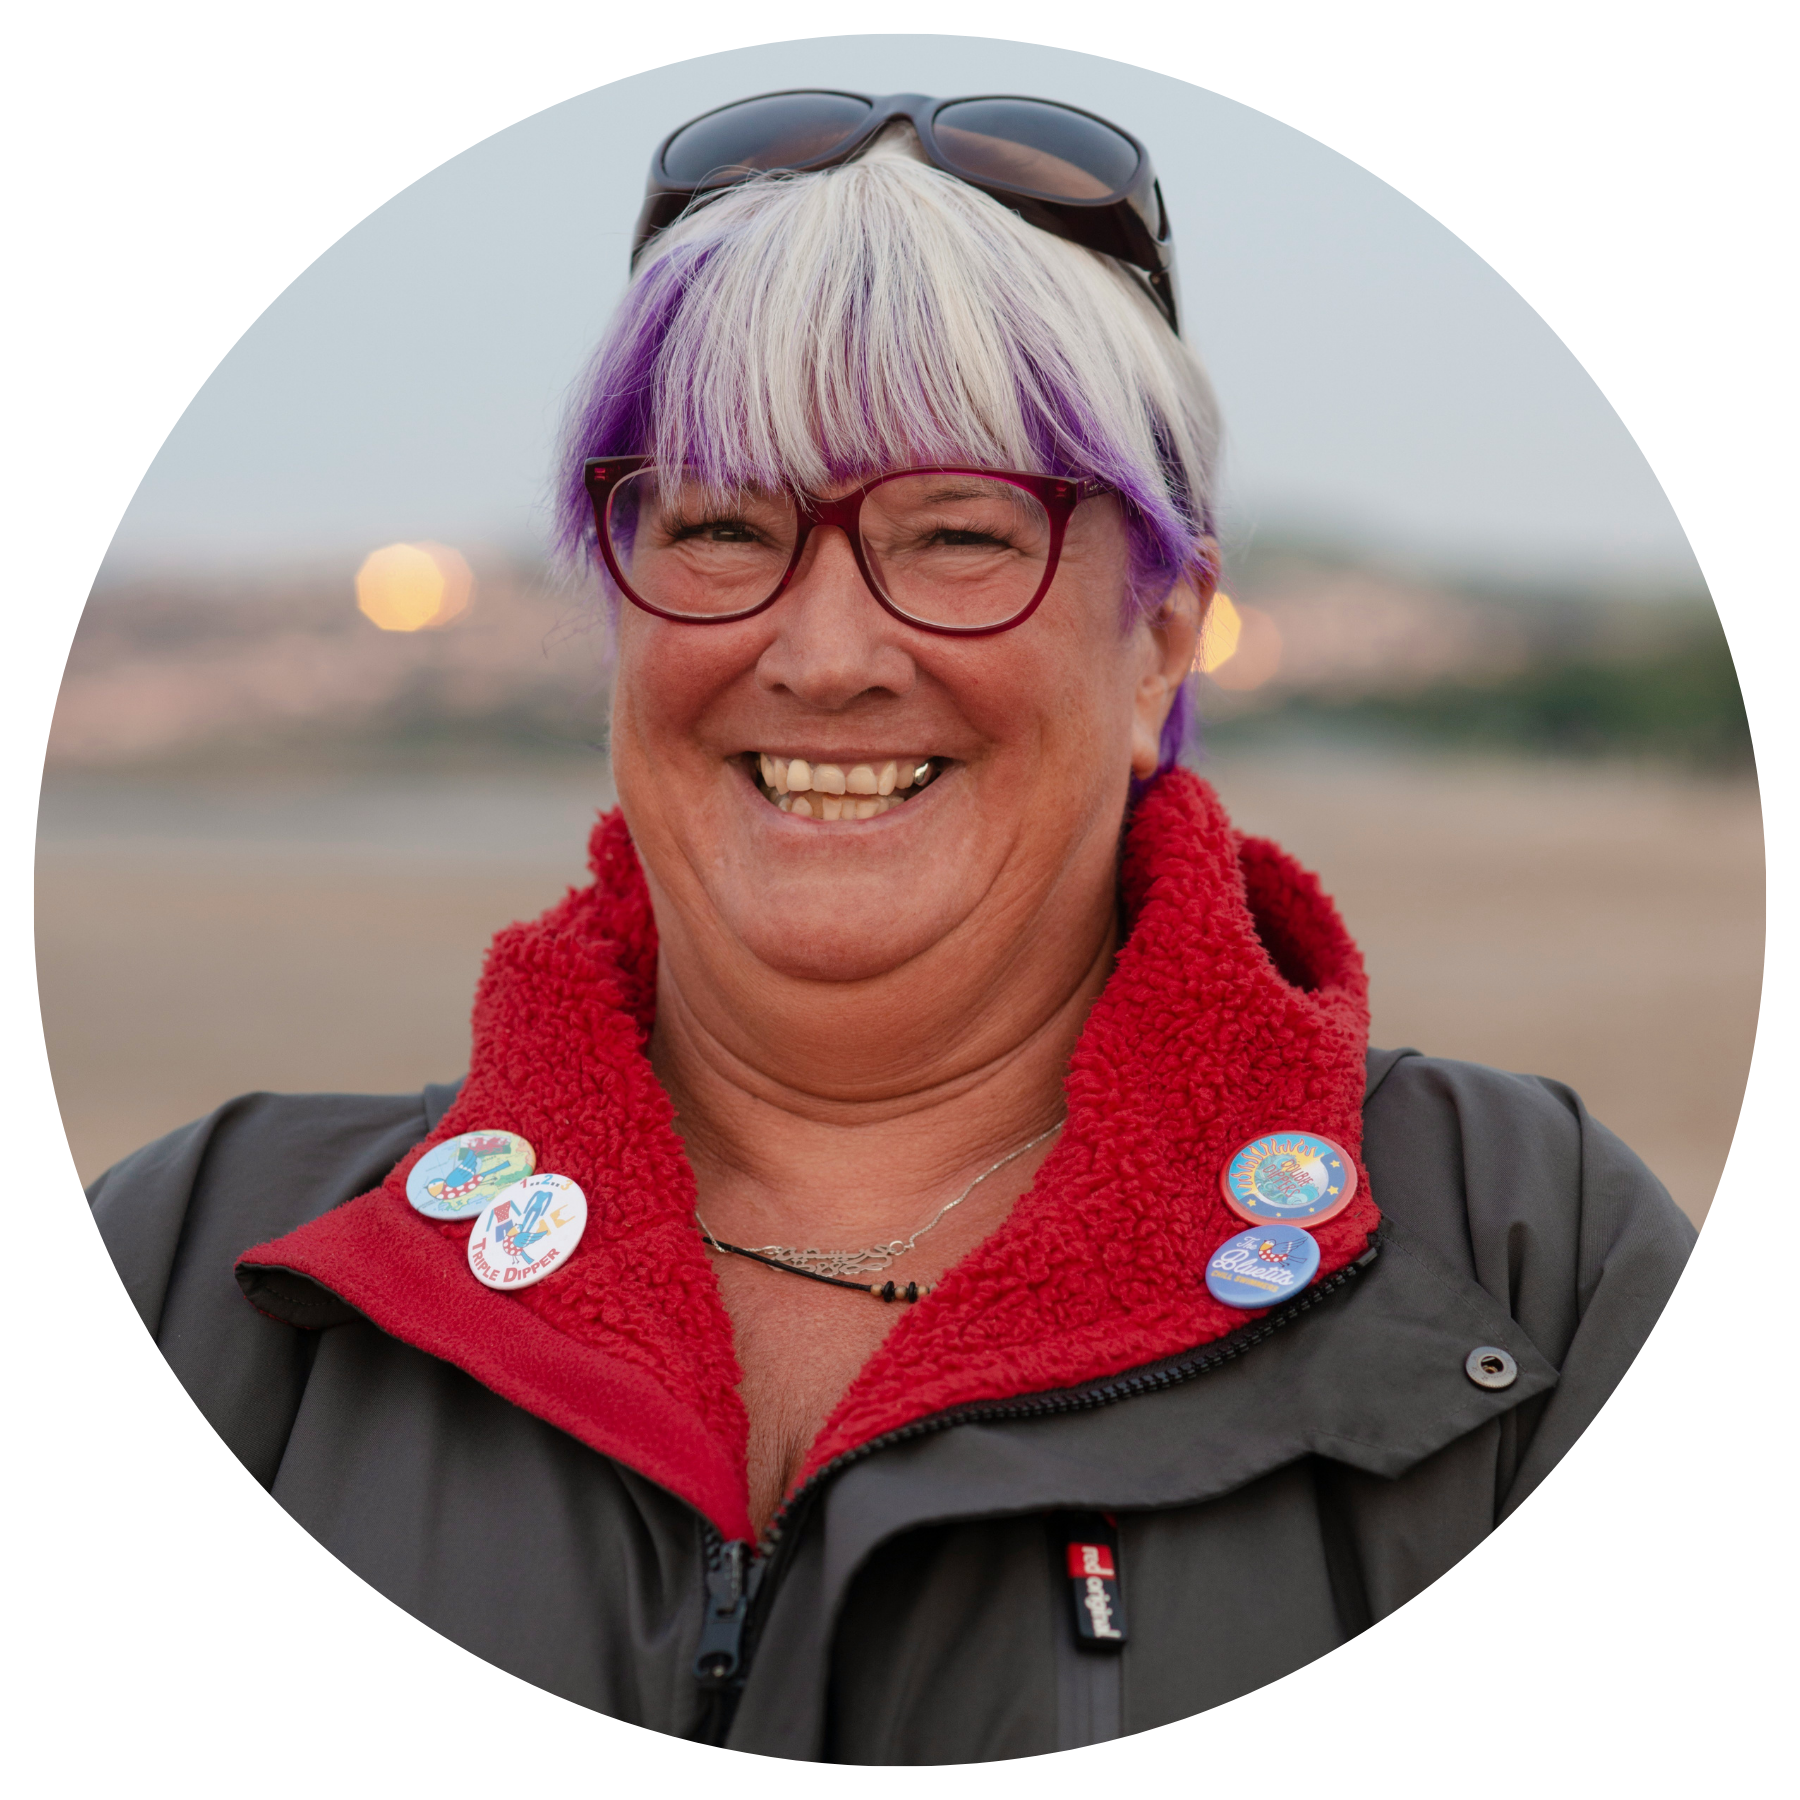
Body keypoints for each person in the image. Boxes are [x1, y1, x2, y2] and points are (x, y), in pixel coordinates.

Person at [88, 91, 1693, 1760]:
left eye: (960, 534)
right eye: (723, 527)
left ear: (1161, 640)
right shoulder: (216, 1268)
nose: (828, 654)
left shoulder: (1527, 1263)